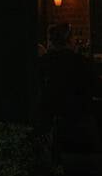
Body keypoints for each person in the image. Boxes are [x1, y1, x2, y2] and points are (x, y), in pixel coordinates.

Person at [38, 23, 97, 160]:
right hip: (78, 122)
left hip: (50, 123)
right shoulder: (82, 63)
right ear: (69, 40)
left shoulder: (42, 63)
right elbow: (93, 88)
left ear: (50, 41)